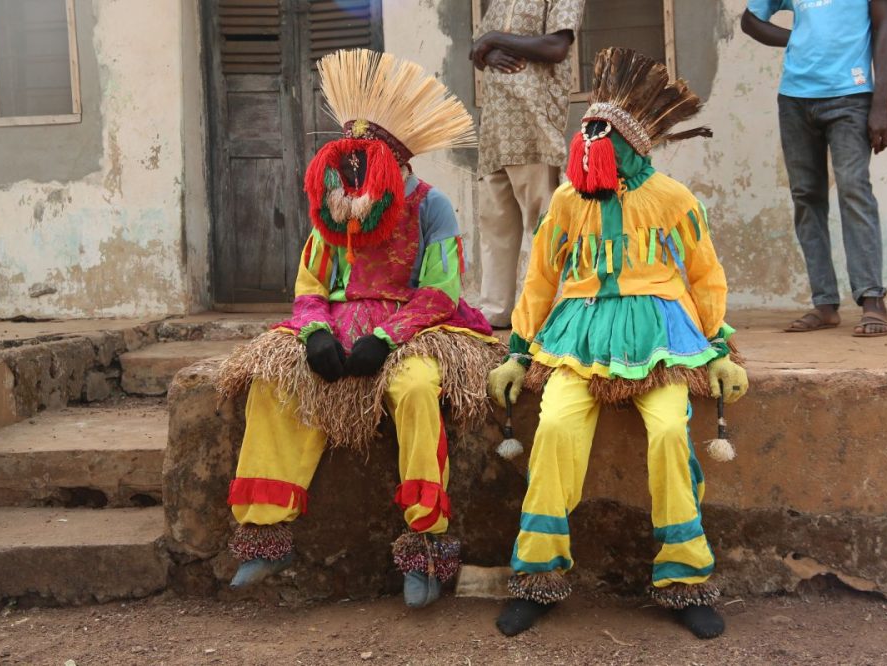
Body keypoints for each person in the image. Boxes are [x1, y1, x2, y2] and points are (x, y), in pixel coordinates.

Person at [216, 49, 500, 609]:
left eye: (362, 163)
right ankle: (266, 536)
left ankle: (426, 544)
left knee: (418, 390)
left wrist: (387, 338)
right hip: (339, 324)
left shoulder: (432, 206)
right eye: (347, 163)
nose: (350, 176)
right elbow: (309, 284)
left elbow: (441, 291)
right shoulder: (337, 204)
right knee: (274, 387)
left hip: (413, 328)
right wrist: (315, 331)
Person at [487, 47, 749, 640]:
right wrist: (518, 350)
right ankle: (537, 578)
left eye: (599, 134)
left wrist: (720, 346)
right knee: (553, 428)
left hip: (661, 339)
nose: (587, 143)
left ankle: (685, 581)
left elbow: (706, 275)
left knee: (666, 432)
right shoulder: (563, 201)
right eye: (584, 132)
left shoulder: (674, 199)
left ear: (630, 144)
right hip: (576, 339)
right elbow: (540, 278)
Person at [741, 0, 887, 337]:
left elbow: (885, 28)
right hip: (795, 98)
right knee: (806, 197)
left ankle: (872, 299)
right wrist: (797, 38)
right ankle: (824, 304)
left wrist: (882, 103)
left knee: (854, 188)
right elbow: (751, 20)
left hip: (851, 96)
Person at [470, 0, 586, 329]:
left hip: (532, 126)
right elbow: (477, 51)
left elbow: (556, 47)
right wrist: (488, 52)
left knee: (545, 224)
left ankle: (550, 314)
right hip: (494, 131)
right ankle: (496, 313)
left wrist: (494, 38)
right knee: (495, 226)